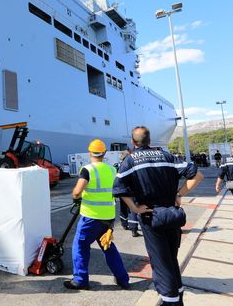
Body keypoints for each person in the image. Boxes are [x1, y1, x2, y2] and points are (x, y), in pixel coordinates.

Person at [113, 126, 204, 306]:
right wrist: (179, 194)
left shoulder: (130, 161)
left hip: (151, 216)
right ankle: (177, 294)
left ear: (133, 142)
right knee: (171, 258)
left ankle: (170, 301)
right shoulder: (167, 156)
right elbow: (197, 175)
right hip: (172, 215)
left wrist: (135, 208)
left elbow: (118, 188)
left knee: (161, 263)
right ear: (149, 140)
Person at [64, 139, 130, 291]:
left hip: (91, 218)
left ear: (89, 152)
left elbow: (77, 191)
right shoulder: (112, 170)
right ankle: (123, 279)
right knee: (108, 247)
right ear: (104, 153)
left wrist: (76, 197)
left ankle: (80, 280)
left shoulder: (87, 170)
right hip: (108, 218)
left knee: (80, 246)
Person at [116, 150, 140, 237]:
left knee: (123, 208)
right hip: (131, 191)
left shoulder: (119, 166)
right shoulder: (130, 165)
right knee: (132, 209)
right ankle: (134, 229)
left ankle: (124, 223)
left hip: (122, 190)